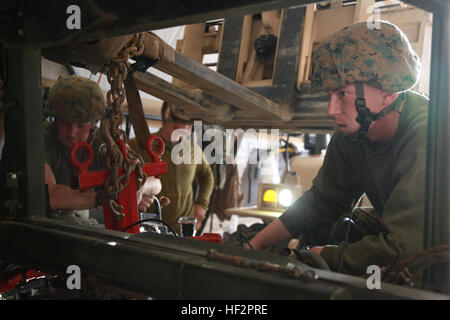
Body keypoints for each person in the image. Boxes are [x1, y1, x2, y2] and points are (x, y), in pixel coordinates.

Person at [249, 21, 427, 276]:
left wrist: (327, 256)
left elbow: (407, 248)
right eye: (330, 95)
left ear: (388, 93)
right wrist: (257, 243)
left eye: (343, 94)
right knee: (342, 227)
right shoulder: (356, 130)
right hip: (408, 241)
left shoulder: (429, 135)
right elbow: (324, 201)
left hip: (435, 260)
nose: (331, 110)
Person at [44, 75, 160, 223]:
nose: (71, 133)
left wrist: (138, 188)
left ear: (94, 123)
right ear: (54, 118)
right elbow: (52, 196)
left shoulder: (103, 142)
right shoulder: (42, 137)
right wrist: (113, 196)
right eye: (64, 123)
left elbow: (155, 183)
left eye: (81, 125)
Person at [128, 102, 214, 234]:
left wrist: (202, 203)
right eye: (186, 121)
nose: (191, 126)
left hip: (185, 229)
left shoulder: (192, 149)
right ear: (169, 119)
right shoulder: (140, 145)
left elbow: (207, 175)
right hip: (150, 228)